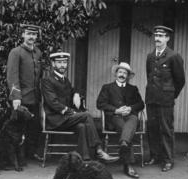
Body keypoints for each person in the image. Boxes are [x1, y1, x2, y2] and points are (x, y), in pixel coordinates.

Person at [41, 50, 119, 162]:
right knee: (87, 115)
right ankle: (99, 149)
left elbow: (73, 91)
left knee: (82, 126)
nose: (63, 65)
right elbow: (53, 103)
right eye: (59, 62)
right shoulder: (47, 81)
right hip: (56, 119)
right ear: (53, 64)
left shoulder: (65, 80)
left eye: (64, 62)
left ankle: (84, 158)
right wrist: (71, 112)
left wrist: (76, 93)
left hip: (66, 119)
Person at [145, 25, 185, 172]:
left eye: (161, 36)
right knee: (152, 128)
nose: (157, 38)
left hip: (165, 99)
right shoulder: (150, 56)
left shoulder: (174, 56)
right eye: (156, 35)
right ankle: (155, 156)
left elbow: (180, 80)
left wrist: (170, 94)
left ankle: (168, 159)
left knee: (166, 129)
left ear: (167, 38)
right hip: (151, 98)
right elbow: (149, 75)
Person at [97, 62, 144, 179]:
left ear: (128, 76)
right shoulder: (107, 87)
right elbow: (100, 104)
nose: (122, 75)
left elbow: (141, 104)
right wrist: (116, 110)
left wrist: (130, 108)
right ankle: (128, 165)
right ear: (116, 74)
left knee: (133, 119)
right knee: (126, 130)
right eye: (120, 72)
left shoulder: (133, 89)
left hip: (129, 116)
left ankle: (124, 143)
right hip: (114, 117)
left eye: (125, 73)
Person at [7, 24, 43, 159]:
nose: (31, 37)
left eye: (34, 35)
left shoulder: (38, 53)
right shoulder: (16, 52)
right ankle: (16, 157)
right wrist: (16, 97)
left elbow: (39, 75)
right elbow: (12, 76)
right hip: (21, 98)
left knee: (34, 127)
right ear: (23, 35)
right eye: (28, 34)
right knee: (18, 129)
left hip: (35, 98)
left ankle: (29, 154)